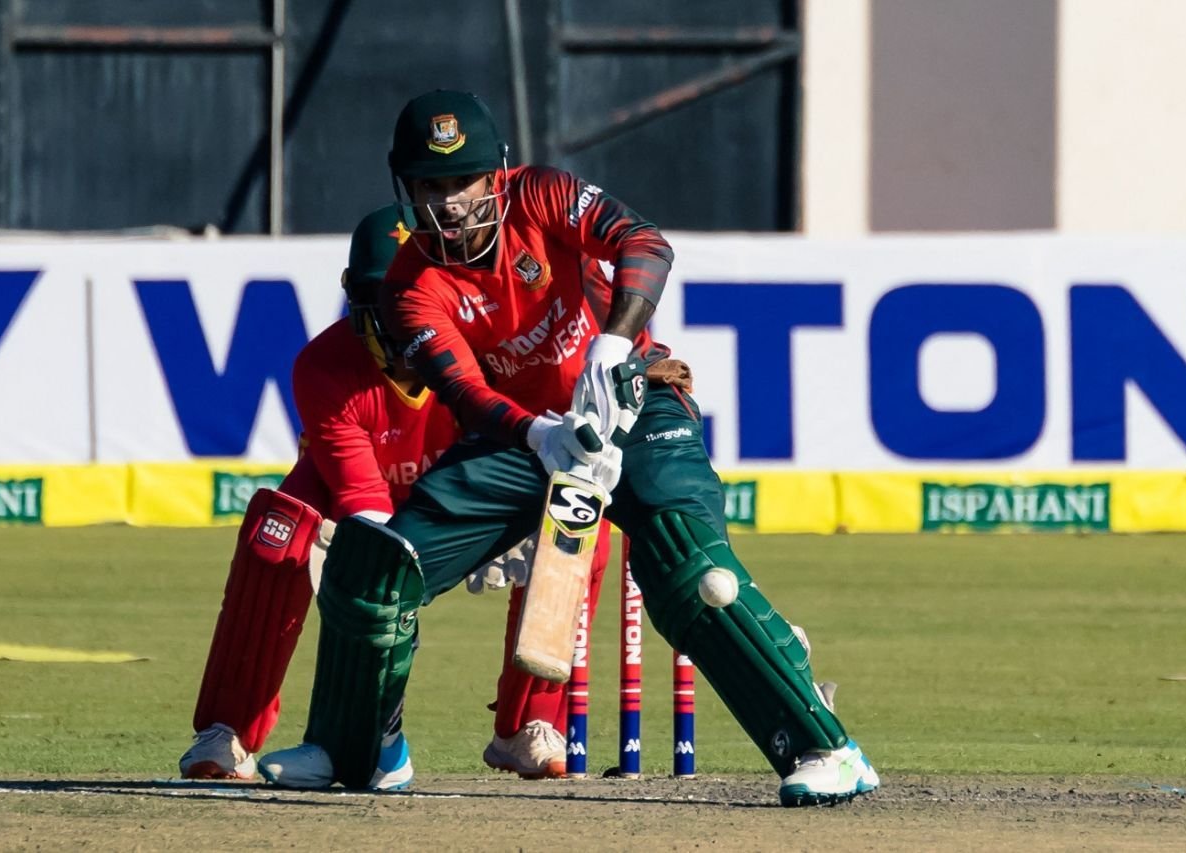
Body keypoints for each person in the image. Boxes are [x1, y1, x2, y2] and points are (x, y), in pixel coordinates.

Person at [261, 90, 878, 807]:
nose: (450, 202)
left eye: (463, 181)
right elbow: (463, 393)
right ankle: (356, 748)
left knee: (686, 569)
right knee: (377, 568)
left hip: (635, 402)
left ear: (496, 174)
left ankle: (826, 748)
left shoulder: (543, 195)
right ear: (407, 187)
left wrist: (612, 344)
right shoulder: (409, 287)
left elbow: (645, 243)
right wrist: (540, 435)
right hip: (525, 436)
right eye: (431, 185)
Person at [178, 204, 610, 788]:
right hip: (359, 503)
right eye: (383, 303)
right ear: (353, 297)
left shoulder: (495, 348)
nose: (401, 326)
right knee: (275, 535)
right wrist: (384, 571)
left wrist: (513, 528)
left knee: (578, 526)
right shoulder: (323, 366)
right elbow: (365, 504)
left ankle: (529, 725)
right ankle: (229, 732)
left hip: (467, 499)